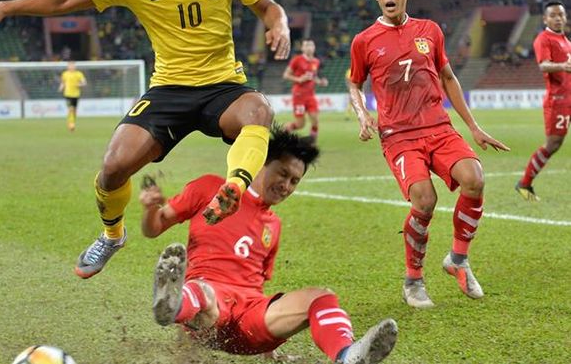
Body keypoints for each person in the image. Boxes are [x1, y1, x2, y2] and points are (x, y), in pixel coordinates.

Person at [0, 0, 290, 280]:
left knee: (259, 110)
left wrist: (279, 24)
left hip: (223, 86)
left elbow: (268, 6)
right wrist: (6, 6)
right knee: (113, 168)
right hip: (169, 90)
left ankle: (233, 189)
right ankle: (112, 235)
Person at [140, 127, 398, 364]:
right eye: (283, 174)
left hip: (248, 320)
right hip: (208, 313)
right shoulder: (210, 187)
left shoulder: (272, 225)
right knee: (203, 291)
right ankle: (172, 306)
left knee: (321, 297)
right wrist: (151, 207)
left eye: (295, 181)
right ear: (261, 163)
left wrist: (270, 351)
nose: (286, 186)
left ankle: (346, 355)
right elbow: (154, 228)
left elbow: (258, 285)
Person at [346, 0, 509, 309]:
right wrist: (362, 116)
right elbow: (355, 83)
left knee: (475, 177)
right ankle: (414, 279)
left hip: (438, 127)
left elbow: (448, 78)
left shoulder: (430, 31)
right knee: (425, 200)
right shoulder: (365, 40)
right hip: (399, 136)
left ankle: (458, 259)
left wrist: (474, 127)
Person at [516, 0, 571, 201]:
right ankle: (524, 184)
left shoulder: (566, 42)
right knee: (553, 145)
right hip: (558, 100)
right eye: (554, 15)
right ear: (545, 19)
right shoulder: (544, 39)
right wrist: (563, 66)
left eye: (561, 14)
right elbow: (544, 65)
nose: (558, 18)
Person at [283, 39, 328, 141]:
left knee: (315, 120)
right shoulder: (297, 60)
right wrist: (298, 79)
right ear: (302, 48)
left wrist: (320, 82)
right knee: (300, 124)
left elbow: (313, 77)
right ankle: (284, 131)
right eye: (306, 45)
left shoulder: (316, 61)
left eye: (311, 45)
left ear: (314, 47)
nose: (309, 47)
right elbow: (286, 75)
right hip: (299, 95)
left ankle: (312, 142)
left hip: (310, 95)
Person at [58, 61, 87, 132]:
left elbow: (84, 82)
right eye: (70, 65)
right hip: (67, 94)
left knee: (74, 110)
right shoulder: (65, 74)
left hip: (76, 94)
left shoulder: (79, 74)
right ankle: (71, 124)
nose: (71, 67)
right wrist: (61, 87)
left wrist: (80, 84)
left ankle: (71, 122)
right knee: (70, 109)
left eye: (72, 65)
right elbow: (63, 82)